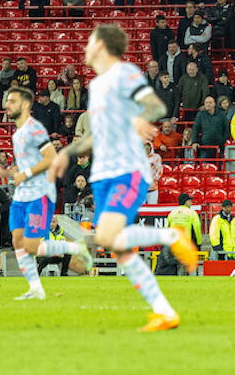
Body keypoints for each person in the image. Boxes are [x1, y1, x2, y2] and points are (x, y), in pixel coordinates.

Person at [49, 24, 199, 332]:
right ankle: (164, 311)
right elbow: (95, 135)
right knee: (117, 247)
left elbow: (155, 105)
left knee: (108, 237)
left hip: (126, 169)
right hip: (103, 173)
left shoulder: (125, 74)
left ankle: (171, 236)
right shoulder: (97, 86)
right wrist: (65, 154)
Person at [0, 87, 92, 299]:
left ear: (26, 105)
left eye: (12, 101)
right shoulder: (18, 133)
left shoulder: (34, 129)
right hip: (22, 194)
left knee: (32, 245)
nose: (6, 105)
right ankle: (35, 288)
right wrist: (5, 171)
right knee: (18, 241)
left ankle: (75, 248)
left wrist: (26, 173)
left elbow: (50, 158)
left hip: (39, 194)